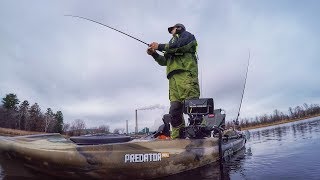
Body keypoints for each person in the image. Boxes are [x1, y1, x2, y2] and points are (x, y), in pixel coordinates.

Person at [147, 23, 200, 139]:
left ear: (179, 28)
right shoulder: (171, 45)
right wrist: (154, 54)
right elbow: (163, 61)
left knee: (193, 107)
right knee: (174, 110)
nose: (171, 31)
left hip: (186, 75)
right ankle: (178, 138)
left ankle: (199, 136)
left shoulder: (187, 36)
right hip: (173, 80)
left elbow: (181, 45)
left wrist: (159, 46)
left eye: (173, 29)